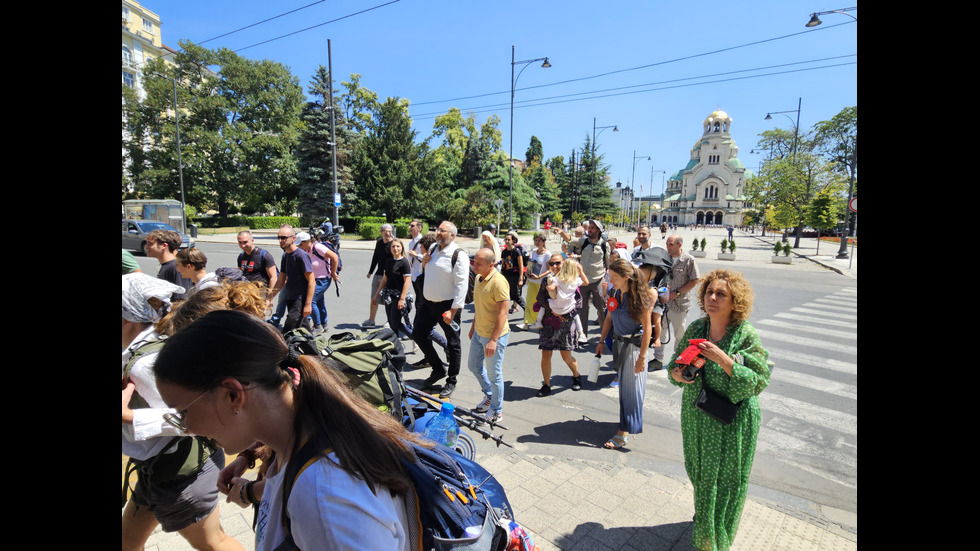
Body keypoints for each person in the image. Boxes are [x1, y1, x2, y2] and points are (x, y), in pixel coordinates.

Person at [153, 309, 430, 550]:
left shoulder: (324, 497)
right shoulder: (300, 432)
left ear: (233, 396)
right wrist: (248, 460)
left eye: (183, 412)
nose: (186, 427)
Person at [121, 273, 244, 551]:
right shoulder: (152, 341)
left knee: (215, 543)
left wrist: (129, 417)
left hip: (182, 474)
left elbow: (197, 419)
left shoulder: (146, 363)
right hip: (160, 470)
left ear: (127, 318)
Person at [667, 269, 771, 551]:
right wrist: (678, 374)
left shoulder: (744, 334)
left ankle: (714, 541)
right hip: (697, 416)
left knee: (726, 483)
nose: (712, 297)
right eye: (709, 292)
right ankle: (705, 522)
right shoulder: (697, 328)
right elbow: (673, 366)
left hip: (731, 421)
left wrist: (724, 360)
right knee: (700, 475)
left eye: (721, 294)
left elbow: (759, 379)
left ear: (734, 300)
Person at [595, 259, 653, 450]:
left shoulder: (640, 298)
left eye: (614, 278)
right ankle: (625, 425)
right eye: (610, 277)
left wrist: (642, 358)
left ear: (626, 277)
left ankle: (623, 432)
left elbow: (648, 330)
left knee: (632, 392)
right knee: (625, 391)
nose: (611, 281)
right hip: (619, 344)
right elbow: (609, 319)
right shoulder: (614, 293)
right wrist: (601, 341)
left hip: (634, 348)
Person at [412, 221, 468, 398]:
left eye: (443, 231)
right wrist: (424, 262)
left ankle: (451, 380)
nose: (438, 232)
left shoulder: (458, 255)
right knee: (418, 334)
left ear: (452, 235)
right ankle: (438, 369)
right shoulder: (434, 248)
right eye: (438, 229)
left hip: (448, 306)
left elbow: (462, 285)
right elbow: (430, 271)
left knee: (453, 343)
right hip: (428, 304)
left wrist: (453, 310)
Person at [467, 248, 511, 423]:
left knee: (494, 374)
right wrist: (473, 326)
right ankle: (490, 395)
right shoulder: (479, 278)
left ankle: (496, 409)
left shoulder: (499, 282)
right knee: (473, 366)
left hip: (494, 336)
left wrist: (493, 340)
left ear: (491, 264)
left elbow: (503, 314)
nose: (474, 266)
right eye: (474, 262)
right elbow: (479, 306)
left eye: (478, 263)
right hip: (479, 332)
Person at [534, 254, 587, 396]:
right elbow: (540, 299)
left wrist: (564, 315)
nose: (555, 266)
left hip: (566, 322)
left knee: (566, 356)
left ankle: (576, 376)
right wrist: (553, 311)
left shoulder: (571, 279)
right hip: (548, 323)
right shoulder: (547, 280)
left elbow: (578, 303)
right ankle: (546, 385)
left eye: (558, 263)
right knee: (546, 355)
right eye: (552, 264)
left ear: (564, 264)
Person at [557, 220, 609, 345]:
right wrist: (562, 232)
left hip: (598, 279)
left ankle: (605, 335)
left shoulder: (604, 245)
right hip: (583, 280)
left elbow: (608, 263)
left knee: (601, 308)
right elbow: (570, 239)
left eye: (592, 228)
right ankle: (582, 335)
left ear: (598, 230)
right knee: (582, 309)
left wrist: (608, 280)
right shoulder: (584, 242)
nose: (589, 230)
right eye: (589, 228)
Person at [266, 225, 315, 333]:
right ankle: (315, 349)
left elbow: (312, 281)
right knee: (303, 331)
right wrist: (270, 297)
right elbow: (281, 279)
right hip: (291, 298)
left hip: (300, 300)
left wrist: (308, 304)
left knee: (287, 331)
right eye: (278, 237)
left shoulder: (301, 256)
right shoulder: (286, 256)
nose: (280, 240)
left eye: (283, 238)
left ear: (293, 239)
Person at [663, 235, 701, 360]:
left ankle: (677, 358)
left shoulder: (689, 260)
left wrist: (677, 292)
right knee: (661, 331)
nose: (668, 247)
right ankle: (658, 358)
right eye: (667, 244)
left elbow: (695, 280)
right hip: (664, 303)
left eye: (671, 244)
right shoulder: (664, 258)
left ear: (679, 245)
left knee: (679, 333)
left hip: (679, 303)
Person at [298, 232, 339, 334]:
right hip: (313, 280)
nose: (300, 247)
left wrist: (333, 272)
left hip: (323, 279)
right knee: (319, 302)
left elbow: (334, 257)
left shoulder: (318, 247)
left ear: (307, 241)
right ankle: (324, 324)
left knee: (311, 301)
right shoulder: (306, 250)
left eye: (301, 244)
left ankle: (317, 326)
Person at [372, 239, 413, 341]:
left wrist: (402, 299)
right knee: (391, 322)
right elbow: (385, 279)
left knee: (396, 322)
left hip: (399, 296)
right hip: (388, 295)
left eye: (398, 246)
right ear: (390, 249)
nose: (395, 248)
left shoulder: (404, 262)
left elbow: (407, 282)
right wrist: (376, 295)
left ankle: (415, 336)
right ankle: (395, 345)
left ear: (402, 248)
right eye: (393, 247)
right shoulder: (389, 261)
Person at [144, 229, 192, 301]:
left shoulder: (175, 267)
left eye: (150, 244)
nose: (146, 247)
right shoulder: (166, 266)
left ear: (164, 245)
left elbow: (181, 299)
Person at [517, 232, 550, 330]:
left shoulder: (547, 254)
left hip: (541, 283)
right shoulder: (534, 252)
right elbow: (530, 265)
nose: (536, 242)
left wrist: (540, 276)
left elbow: (549, 269)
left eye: (539, 241)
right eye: (536, 240)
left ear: (543, 242)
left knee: (540, 303)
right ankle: (526, 323)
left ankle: (539, 322)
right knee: (529, 302)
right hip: (532, 281)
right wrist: (527, 272)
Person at [365, 224, 395, 327]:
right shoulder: (379, 242)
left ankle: (389, 321)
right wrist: (370, 271)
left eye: (389, 231)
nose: (388, 233)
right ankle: (371, 321)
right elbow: (375, 257)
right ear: (381, 232)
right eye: (385, 231)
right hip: (378, 274)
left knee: (388, 299)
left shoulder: (394, 244)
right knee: (374, 298)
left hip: (389, 276)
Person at [500, 232, 525, 314]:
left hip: (515, 277)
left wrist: (521, 279)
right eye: (505, 239)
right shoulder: (504, 252)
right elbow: (503, 265)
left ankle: (528, 311)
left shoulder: (517, 251)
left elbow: (521, 266)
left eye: (509, 239)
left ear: (513, 241)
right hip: (506, 276)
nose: (507, 241)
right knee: (505, 295)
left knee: (516, 296)